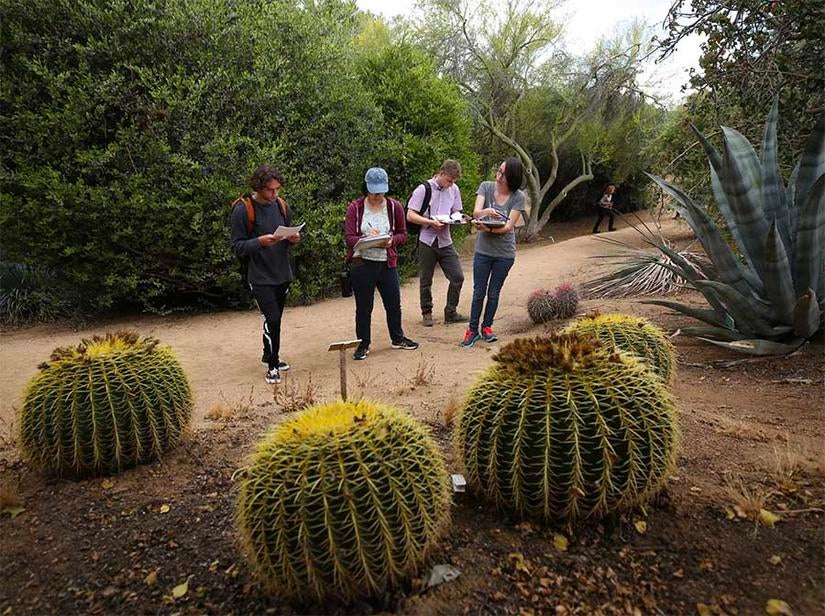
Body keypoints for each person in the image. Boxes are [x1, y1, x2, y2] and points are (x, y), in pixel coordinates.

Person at [230, 164, 300, 385]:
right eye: (270, 189)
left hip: (282, 273)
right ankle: (273, 365)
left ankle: (267, 354)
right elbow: (237, 246)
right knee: (273, 319)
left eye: (278, 189)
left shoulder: (281, 206)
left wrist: (293, 238)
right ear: (259, 187)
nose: (275, 194)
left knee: (274, 320)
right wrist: (259, 242)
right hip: (260, 276)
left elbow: (288, 232)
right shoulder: (243, 209)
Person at [344, 167, 419, 360]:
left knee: (393, 304)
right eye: (374, 191)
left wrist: (391, 241)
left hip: (387, 263)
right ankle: (363, 344)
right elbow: (350, 238)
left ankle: (398, 338)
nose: (377, 195)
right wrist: (366, 239)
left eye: (381, 191)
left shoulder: (394, 207)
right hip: (362, 263)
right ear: (366, 188)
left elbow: (403, 234)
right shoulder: (355, 208)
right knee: (364, 307)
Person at [461, 157, 526, 348]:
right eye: (499, 170)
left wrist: (488, 229)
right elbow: (476, 213)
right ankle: (472, 330)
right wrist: (487, 211)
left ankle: (487, 327)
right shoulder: (486, 187)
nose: (499, 175)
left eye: (503, 173)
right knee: (478, 292)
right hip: (483, 251)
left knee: (494, 292)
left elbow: (508, 227)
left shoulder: (518, 197)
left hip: (504, 253)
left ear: (512, 177)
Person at [406, 159, 466, 327]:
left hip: (445, 240)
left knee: (457, 277)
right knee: (426, 278)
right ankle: (427, 312)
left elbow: (456, 211)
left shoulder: (454, 189)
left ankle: (451, 312)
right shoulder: (423, 189)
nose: (451, 184)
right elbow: (410, 215)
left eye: (453, 181)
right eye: (449, 180)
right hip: (427, 239)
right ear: (441, 173)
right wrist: (431, 222)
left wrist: (458, 219)